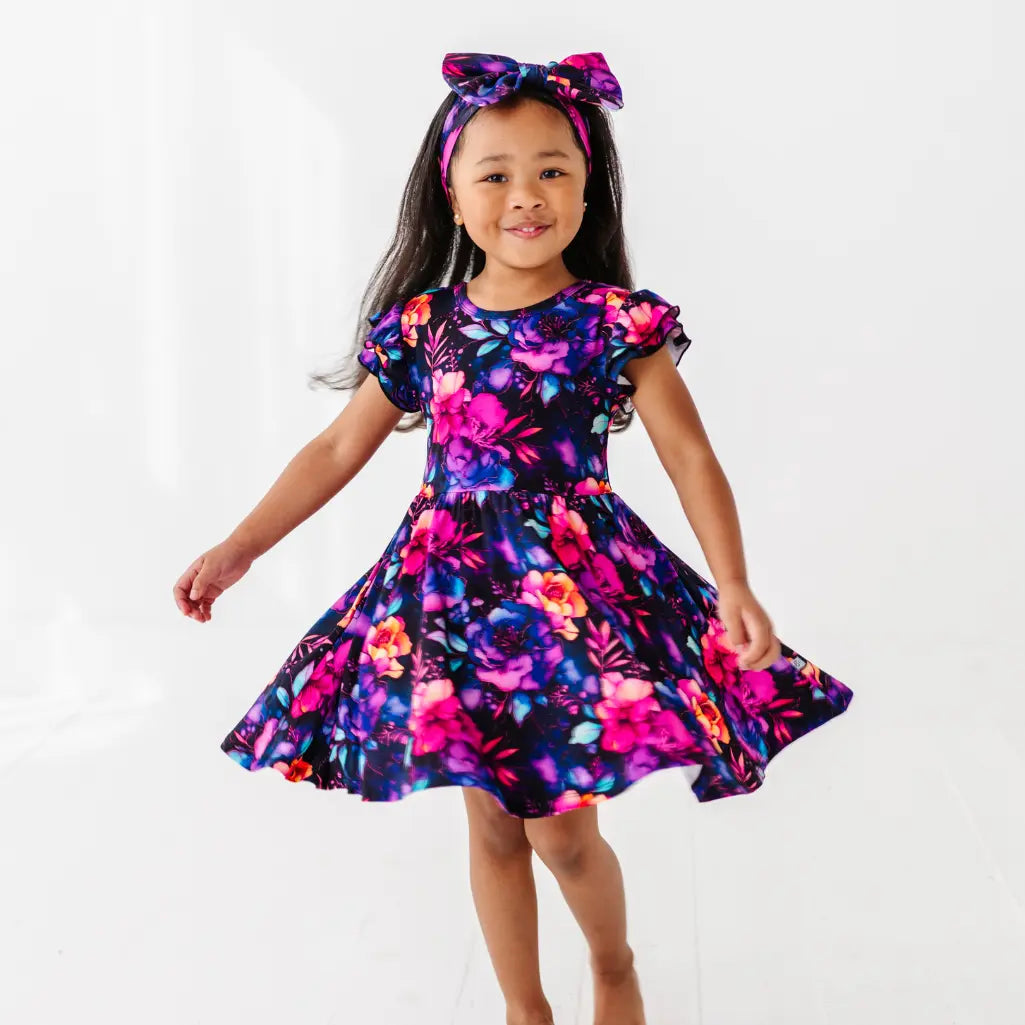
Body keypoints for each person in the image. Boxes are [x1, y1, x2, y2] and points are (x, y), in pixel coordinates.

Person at [173, 51, 854, 1025]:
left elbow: (689, 456)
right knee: (491, 824)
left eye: (550, 171)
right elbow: (335, 449)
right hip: (445, 598)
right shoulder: (425, 328)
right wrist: (240, 546)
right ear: (453, 195)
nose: (523, 196)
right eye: (495, 174)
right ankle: (523, 1009)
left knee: (562, 835)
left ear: (587, 190)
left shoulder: (616, 323)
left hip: (566, 601)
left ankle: (610, 961)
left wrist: (732, 580)